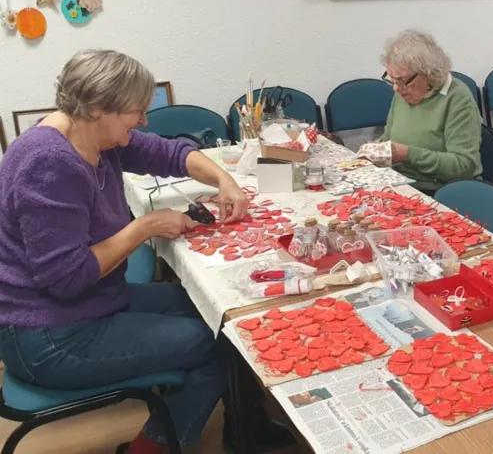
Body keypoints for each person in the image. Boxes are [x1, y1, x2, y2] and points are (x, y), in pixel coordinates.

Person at [0, 50, 291, 454]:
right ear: (101, 107)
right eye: (136, 111)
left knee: (221, 314)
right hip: (49, 336)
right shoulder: (48, 163)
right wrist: (145, 227)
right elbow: (66, 279)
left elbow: (170, 154)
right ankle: (152, 449)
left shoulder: (92, 134)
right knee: (220, 342)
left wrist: (225, 179)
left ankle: (245, 429)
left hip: (94, 301)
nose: (143, 121)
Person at [377, 29, 482, 195]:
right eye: (392, 79)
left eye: (402, 81)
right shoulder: (403, 93)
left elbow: (464, 165)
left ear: (429, 73)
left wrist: (408, 154)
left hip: (440, 191)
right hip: (399, 184)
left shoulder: (457, 98)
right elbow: (389, 137)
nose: (396, 88)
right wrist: (375, 150)